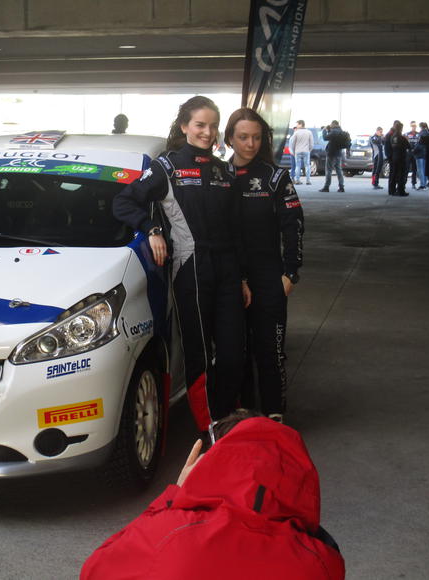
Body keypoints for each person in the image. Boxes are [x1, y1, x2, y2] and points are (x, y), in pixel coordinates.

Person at [80, 410, 345, 579]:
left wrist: (174, 498)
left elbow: (94, 570)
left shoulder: (169, 535)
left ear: (209, 462)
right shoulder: (322, 563)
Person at [112, 96, 245, 433]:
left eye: (213, 125)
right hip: (192, 268)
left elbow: (235, 226)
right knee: (199, 354)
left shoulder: (223, 169)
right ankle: (210, 429)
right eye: (200, 125)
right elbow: (124, 202)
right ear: (185, 126)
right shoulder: (166, 167)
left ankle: (230, 417)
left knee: (232, 351)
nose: (208, 132)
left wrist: (242, 276)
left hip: (228, 269)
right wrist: (152, 230)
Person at [225, 108, 304, 423]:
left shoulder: (275, 177)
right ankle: (242, 418)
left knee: (270, 353)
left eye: (256, 137)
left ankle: (275, 416)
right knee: (236, 355)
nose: (250, 143)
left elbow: (293, 224)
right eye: (243, 137)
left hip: (269, 278)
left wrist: (291, 272)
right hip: (230, 280)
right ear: (230, 138)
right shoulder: (218, 176)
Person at [319, 121, 350, 193]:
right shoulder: (341, 132)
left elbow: (325, 138)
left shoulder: (333, 132)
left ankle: (326, 187)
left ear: (333, 124)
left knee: (329, 170)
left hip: (331, 154)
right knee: (339, 170)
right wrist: (329, 130)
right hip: (339, 153)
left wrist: (324, 130)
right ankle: (341, 187)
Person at [385, 121, 410, 196]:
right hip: (401, 158)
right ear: (401, 128)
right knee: (401, 175)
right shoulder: (401, 137)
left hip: (394, 157)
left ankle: (392, 190)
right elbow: (409, 146)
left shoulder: (392, 136)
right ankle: (400, 190)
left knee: (393, 174)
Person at [289, 120, 314, 185]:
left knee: (298, 166)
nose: (296, 126)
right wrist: (309, 150)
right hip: (306, 151)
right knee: (307, 166)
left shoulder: (296, 133)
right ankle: (308, 180)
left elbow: (293, 144)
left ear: (301, 124)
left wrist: (294, 151)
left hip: (297, 151)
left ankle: (297, 180)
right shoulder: (309, 132)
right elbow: (311, 144)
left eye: (297, 124)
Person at [414, 121, 429, 190]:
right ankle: (425, 183)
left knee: (420, 170)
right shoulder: (428, 133)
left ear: (420, 126)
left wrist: (414, 150)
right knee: (424, 169)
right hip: (426, 154)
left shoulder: (421, 134)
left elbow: (419, 144)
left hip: (420, 154)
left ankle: (422, 184)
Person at [405, 121, 420, 190]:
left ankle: (413, 183)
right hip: (408, 153)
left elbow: (420, 144)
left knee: (415, 169)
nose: (413, 127)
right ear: (411, 126)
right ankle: (404, 183)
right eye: (412, 126)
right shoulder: (407, 134)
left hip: (415, 154)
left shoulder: (418, 134)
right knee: (406, 169)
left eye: (415, 126)